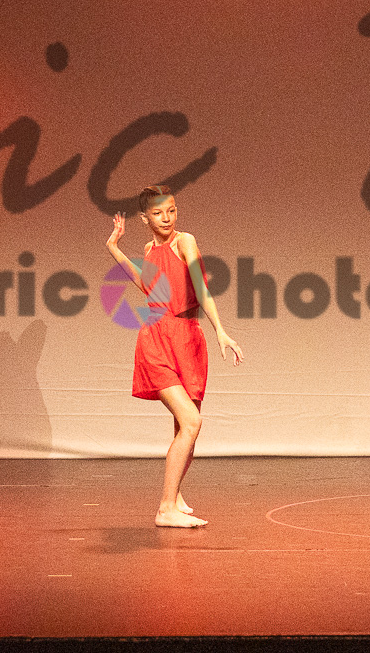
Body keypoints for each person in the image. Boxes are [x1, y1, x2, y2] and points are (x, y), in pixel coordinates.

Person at [106, 185, 244, 527]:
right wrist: (114, 248)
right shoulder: (149, 249)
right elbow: (147, 286)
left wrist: (220, 330)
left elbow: (202, 289)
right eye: (157, 213)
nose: (166, 218)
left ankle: (176, 495)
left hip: (189, 339)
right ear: (144, 219)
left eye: (171, 210)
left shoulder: (185, 242)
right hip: (157, 337)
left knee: (185, 428)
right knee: (192, 422)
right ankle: (165, 507)